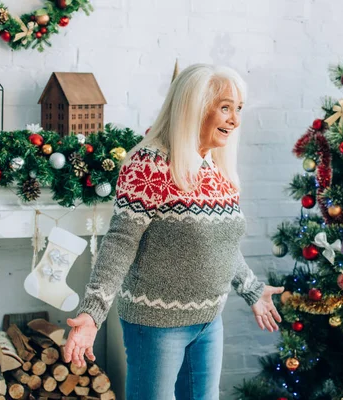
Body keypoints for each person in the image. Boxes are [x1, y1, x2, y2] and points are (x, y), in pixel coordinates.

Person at [63, 64, 284, 400]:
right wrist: (93, 313)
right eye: (225, 108)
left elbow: (220, 244)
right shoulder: (149, 164)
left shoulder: (217, 167)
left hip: (210, 320)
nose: (235, 121)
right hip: (156, 325)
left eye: (238, 109)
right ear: (193, 106)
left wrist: (251, 288)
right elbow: (121, 243)